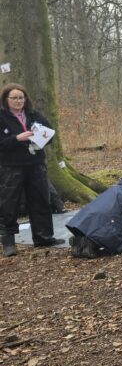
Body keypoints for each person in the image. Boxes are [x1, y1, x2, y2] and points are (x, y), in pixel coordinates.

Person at [0, 84, 65, 257]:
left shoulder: (33, 115)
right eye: (14, 98)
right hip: (11, 167)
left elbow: (50, 133)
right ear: (6, 100)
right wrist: (16, 138)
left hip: (36, 164)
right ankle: (9, 243)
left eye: (21, 97)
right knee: (9, 204)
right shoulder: (2, 117)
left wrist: (41, 139)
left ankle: (43, 237)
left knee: (41, 199)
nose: (18, 101)